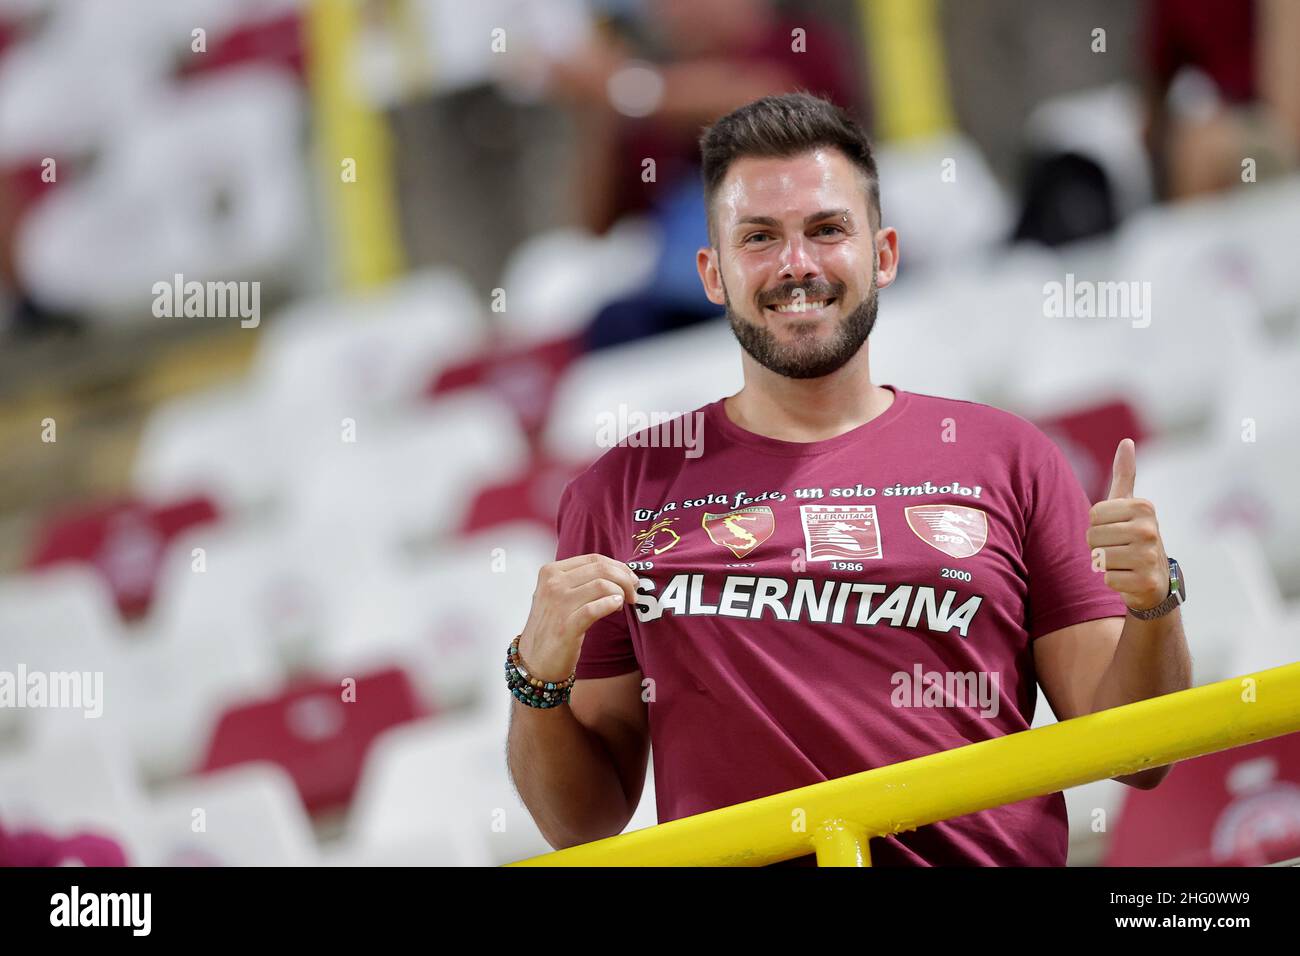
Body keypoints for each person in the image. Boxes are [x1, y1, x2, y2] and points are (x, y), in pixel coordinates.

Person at [505, 93, 1193, 866]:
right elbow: (583, 823)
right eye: (759, 238)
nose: (796, 264)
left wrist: (1152, 604)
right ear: (713, 274)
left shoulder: (1008, 456)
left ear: (884, 254)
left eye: (827, 230)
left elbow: (1140, 753)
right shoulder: (620, 490)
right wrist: (535, 676)